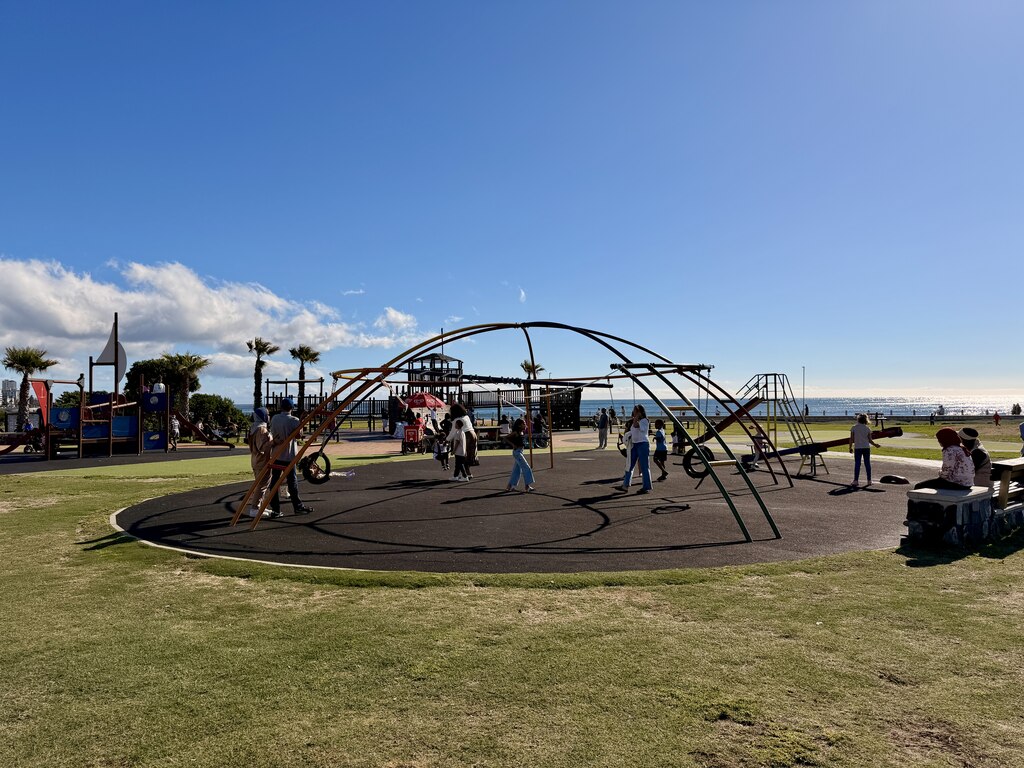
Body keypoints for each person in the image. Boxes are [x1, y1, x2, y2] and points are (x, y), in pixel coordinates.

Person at [268, 398, 315, 516]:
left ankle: (275, 509)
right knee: (292, 481)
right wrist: (302, 420)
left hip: (276, 454)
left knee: (274, 481)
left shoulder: (274, 418)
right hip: (289, 455)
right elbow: (299, 435)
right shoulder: (294, 420)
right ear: (291, 408)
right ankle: (297, 506)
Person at [616, 404, 652, 494]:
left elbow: (636, 426)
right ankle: (625, 485)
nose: (634, 412)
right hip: (634, 445)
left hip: (643, 444)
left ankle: (646, 487)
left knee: (644, 466)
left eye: (635, 411)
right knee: (629, 465)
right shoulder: (635, 421)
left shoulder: (644, 420)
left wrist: (636, 417)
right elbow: (632, 431)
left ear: (640, 412)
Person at [246, 407, 274, 518]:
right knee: (262, 485)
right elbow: (262, 447)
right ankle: (255, 508)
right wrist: (273, 441)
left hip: (255, 459)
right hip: (262, 461)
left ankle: (260, 506)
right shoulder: (261, 429)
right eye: (267, 414)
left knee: (261, 484)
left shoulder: (253, 428)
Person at [848, 413, 880, 488]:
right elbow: (870, 440)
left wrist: (850, 447)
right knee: (867, 464)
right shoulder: (867, 428)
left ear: (858, 419)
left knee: (857, 464)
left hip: (858, 448)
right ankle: (869, 480)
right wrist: (875, 445)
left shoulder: (854, 428)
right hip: (866, 448)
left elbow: (851, 439)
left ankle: (856, 480)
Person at [504, 418, 535, 492]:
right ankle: (527, 486)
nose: (525, 425)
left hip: (520, 451)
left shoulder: (522, 432)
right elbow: (505, 438)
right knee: (526, 467)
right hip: (517, 452)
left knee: (516, 470)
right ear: (519, 425)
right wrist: (513, 445)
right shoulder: (516, 432)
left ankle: (510, 486)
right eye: (523, 424)